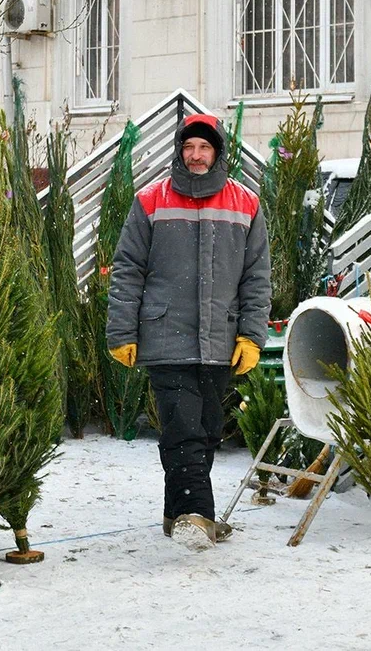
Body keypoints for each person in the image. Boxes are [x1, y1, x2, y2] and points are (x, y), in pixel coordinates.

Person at [105, 113, 271, 551]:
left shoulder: (246, 203)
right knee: (183, 428)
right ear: (180, 150)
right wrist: (122, 332)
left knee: (208, 429)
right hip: (166, 335)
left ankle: (173, 511)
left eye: (205, 148)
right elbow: (127, 270)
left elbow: (257, 277)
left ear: (217, 152)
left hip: (221, 337)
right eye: (189, 147)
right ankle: (198, 516)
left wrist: (252, 336)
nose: (196, 156)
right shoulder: (150, 201)